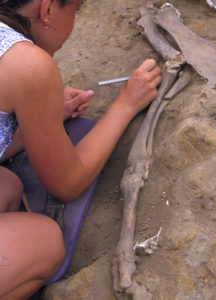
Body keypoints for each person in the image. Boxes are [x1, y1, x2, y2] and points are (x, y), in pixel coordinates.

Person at [0, 0, 161, 298]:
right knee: (44, 242)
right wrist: (126, 104)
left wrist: (38, 119)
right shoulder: (25, 63)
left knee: (7, 185)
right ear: (47, 9)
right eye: (76, 9)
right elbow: (68, 182)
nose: (76, 19)